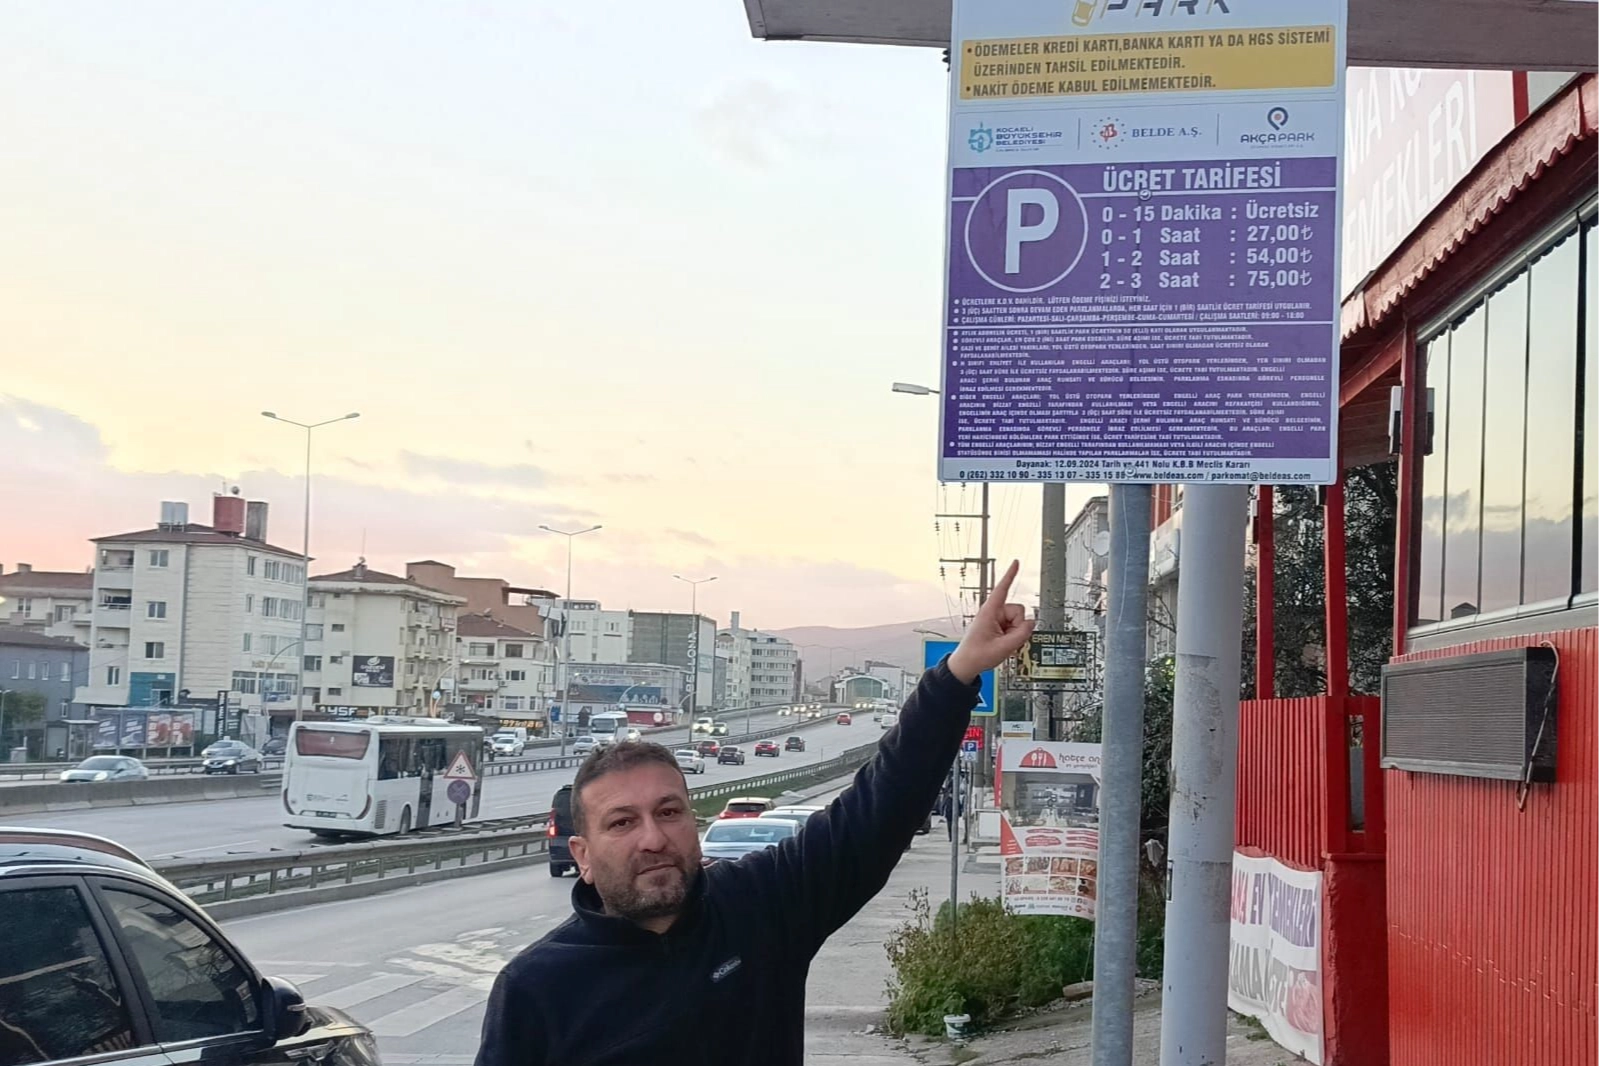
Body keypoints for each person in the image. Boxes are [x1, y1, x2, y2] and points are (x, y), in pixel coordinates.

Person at [474, 561, 1036, 1066]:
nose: (653, 838)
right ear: (582, 854)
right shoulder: (536, 988)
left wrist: (959, 672)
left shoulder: (761, 908)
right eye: (622, 822)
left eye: (669, 811)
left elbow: (877, 811)